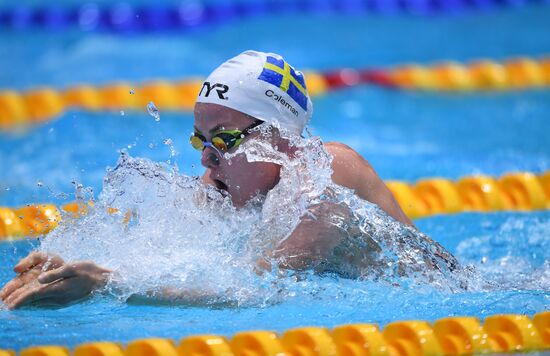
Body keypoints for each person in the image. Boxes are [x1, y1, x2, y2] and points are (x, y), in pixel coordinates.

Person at [1, 51, 438, 309]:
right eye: (201, 140)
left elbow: (250, 289)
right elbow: (167, 251)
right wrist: (71, 262)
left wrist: (107, 284)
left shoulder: (326, 176)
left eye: (226, 139)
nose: (208, 158)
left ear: (278, 137)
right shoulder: (222, 184)